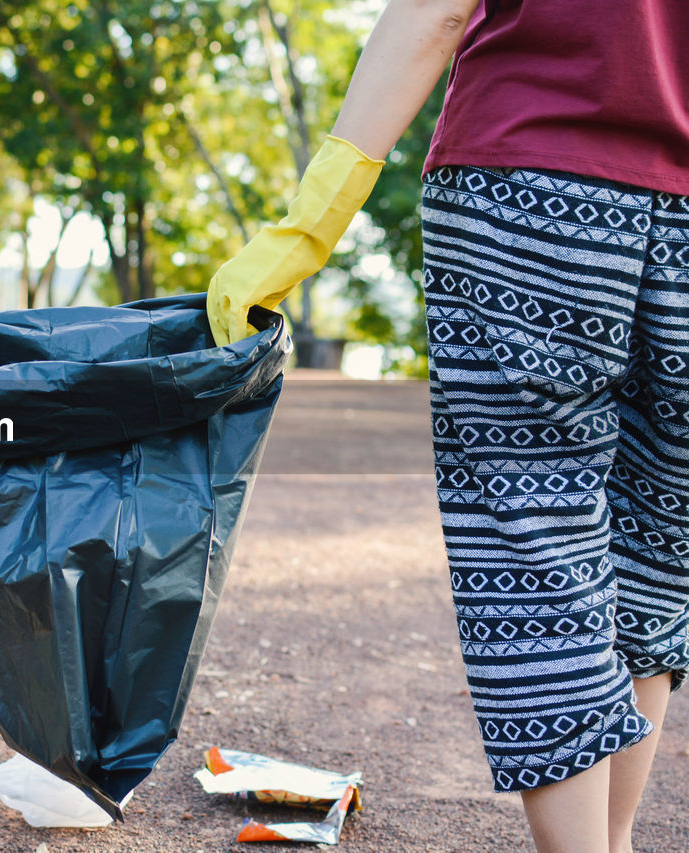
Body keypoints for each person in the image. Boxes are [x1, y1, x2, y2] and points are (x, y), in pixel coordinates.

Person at [207, 1, 689, 851]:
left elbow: (435, 11)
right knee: (651, 555)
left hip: (528, 186)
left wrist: (311, 222)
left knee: (536, 538)